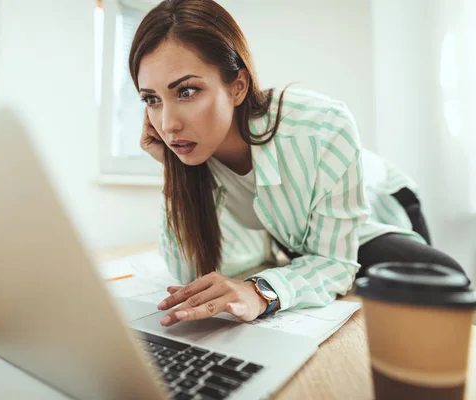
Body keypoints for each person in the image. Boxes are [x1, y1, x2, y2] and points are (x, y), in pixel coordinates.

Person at [129, 0, 464, 327]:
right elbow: (190, 273)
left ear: (238, 87)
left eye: (186, 91)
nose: (168, 123)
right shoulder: (197, 153)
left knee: (438, 293)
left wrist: (259, 290)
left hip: (382, 207)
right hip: (304, 240)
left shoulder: (321, 125)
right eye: (151, 99)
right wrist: (174, 175)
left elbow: (335, 262)